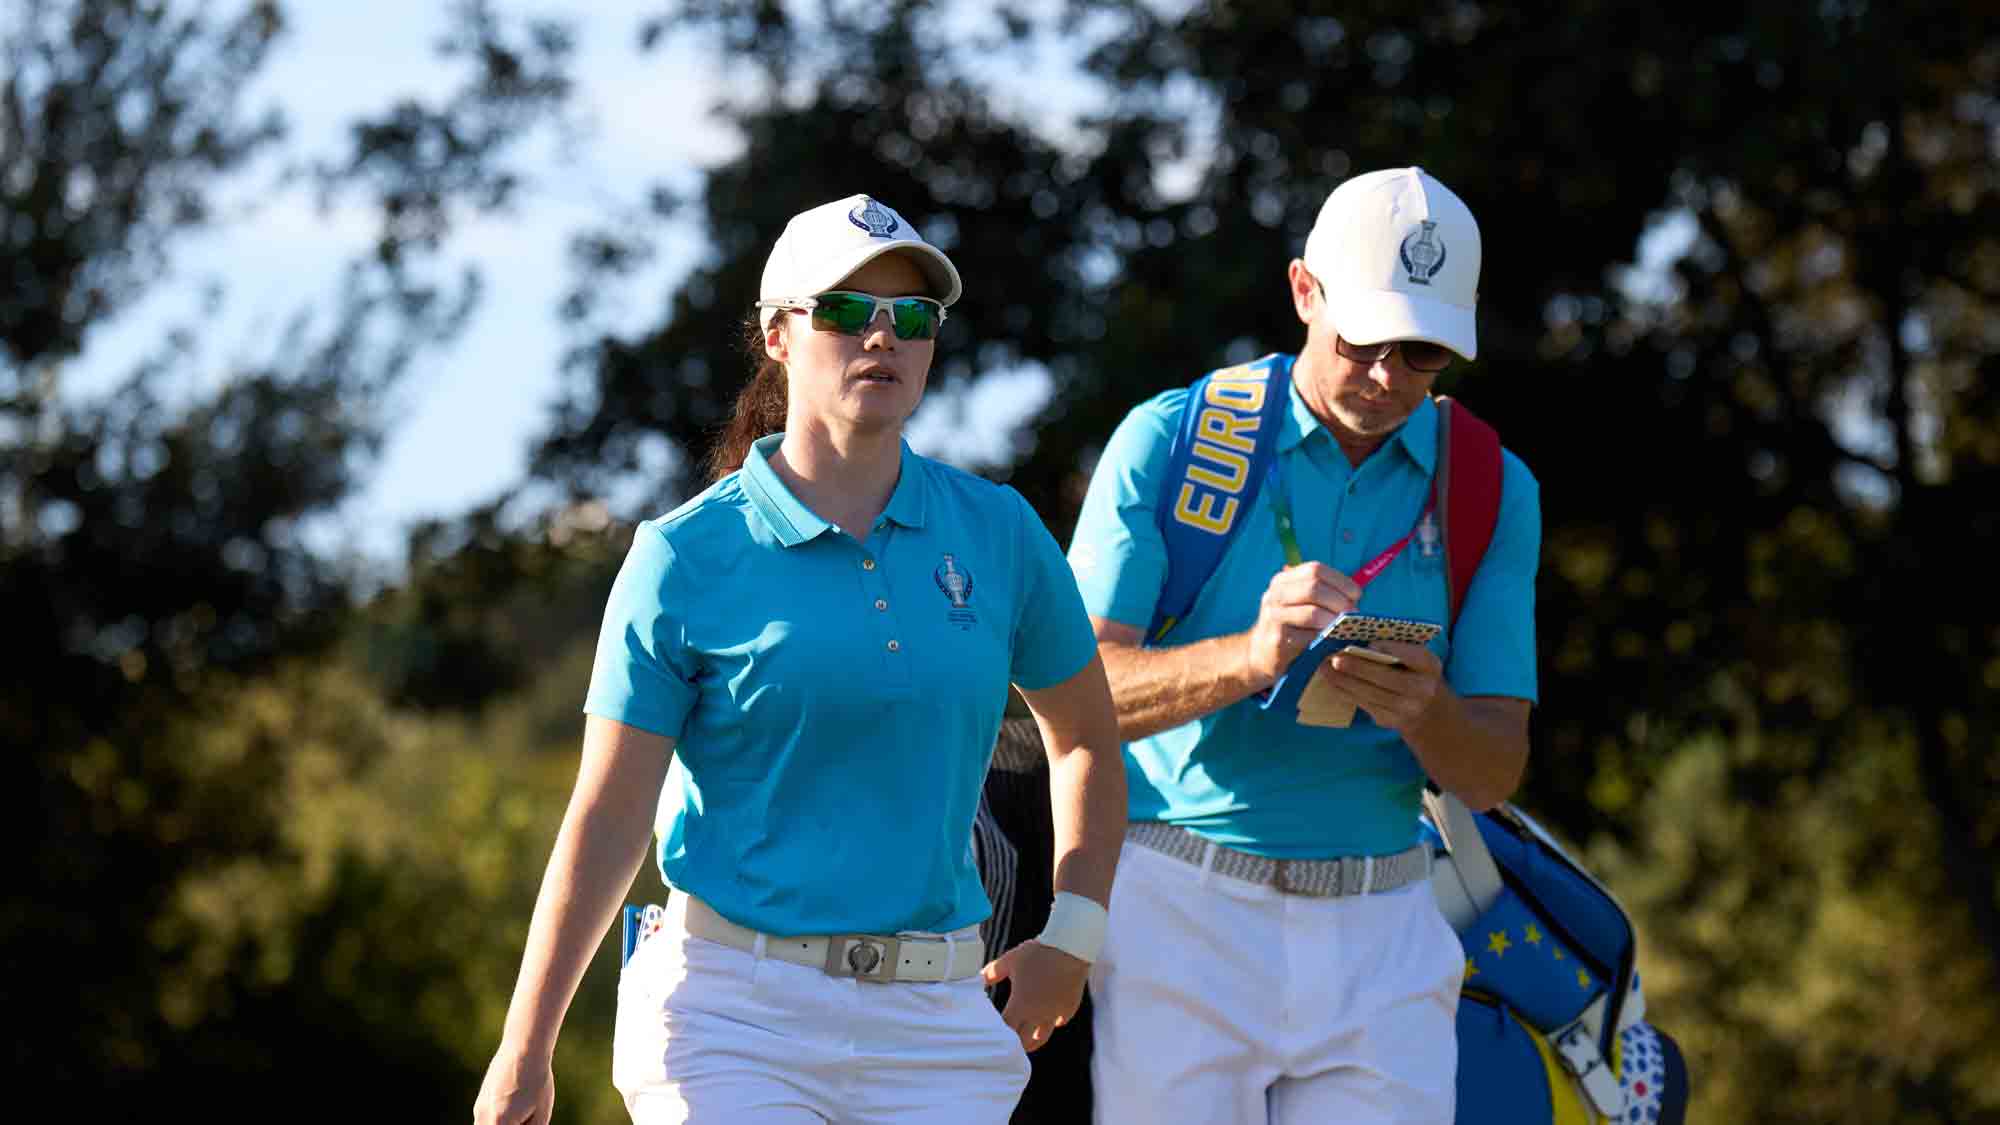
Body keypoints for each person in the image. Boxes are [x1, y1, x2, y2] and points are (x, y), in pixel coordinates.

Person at [473, 194, 1126, 1125]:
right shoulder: (683, 556)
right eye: (847, 311)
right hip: (732, 1012)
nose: (883, 338)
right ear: (778, 336)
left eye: (912, 318)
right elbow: (609, 815)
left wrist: (1075, 931)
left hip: (937, 1019)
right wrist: (525, 1047)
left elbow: (1088, 742)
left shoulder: (1002, 533)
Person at [1065, 166, 1541, 1123]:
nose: (1387, 376)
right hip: (1178, 909)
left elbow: (1491, 774)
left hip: (1389, 921)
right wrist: (1248, 657)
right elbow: (1072, 702)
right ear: (1303, 291)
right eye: (1365, 338)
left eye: (1423, 352)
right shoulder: (1173, 439)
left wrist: (1428, 711)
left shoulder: (1491, 483)